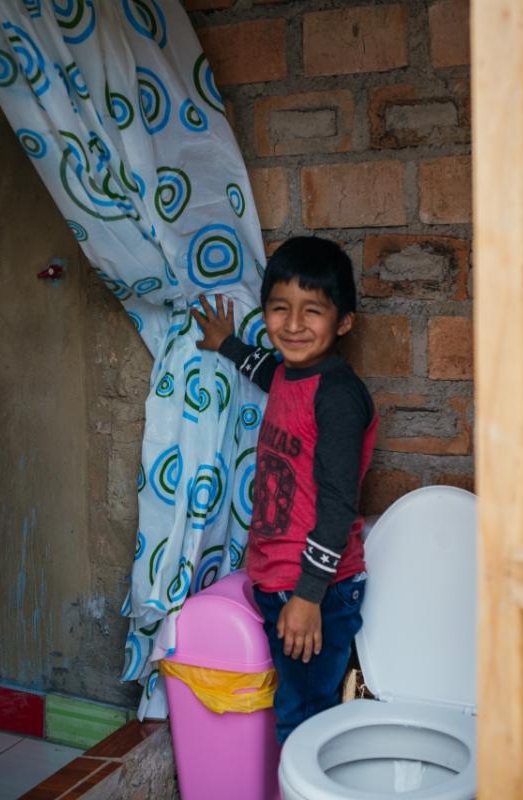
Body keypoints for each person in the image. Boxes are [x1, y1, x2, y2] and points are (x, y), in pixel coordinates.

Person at [191, 236, 377, 744]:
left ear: (344, 322)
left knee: (304, 718)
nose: (293, 325)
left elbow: (339, 506)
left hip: (317, 588)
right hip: (283, 581)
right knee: (296, 706)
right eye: (279, 308)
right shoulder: (292, 375)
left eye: (312, 311)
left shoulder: (337, 397)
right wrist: (226, 343)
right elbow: (268, 370)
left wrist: (308, 596)